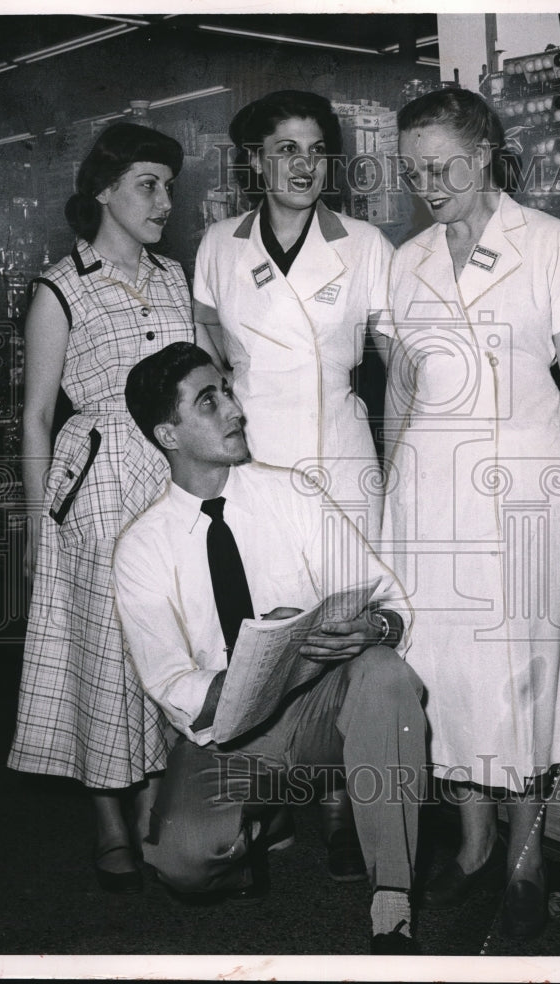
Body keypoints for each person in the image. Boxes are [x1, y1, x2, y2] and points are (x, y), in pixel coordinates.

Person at [380, 88, 560, 939]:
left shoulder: (544, 241)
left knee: (525, 673)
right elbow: (403, 388)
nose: (426, 184)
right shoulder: (405, 262)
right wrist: (386, 497)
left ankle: (526, 861)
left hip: (526, 484)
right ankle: (474, 841)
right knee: (448, 674)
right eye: (412, 172)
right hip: (429, 491)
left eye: (440, 166)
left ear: (482, 155)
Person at [113, 341, 426, 955]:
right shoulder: (141, 548)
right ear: (167, 434)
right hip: (228, 736)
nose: (234, 409)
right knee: (184, 863)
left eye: (227, 391)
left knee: (385, 673)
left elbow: (387, 595)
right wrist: (253, 674)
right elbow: (169, 682)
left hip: (321, 716)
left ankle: (393, 898)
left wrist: (377, 628)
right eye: (209, 401)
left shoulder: (294, 494)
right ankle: (263, 821)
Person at [7, 122, 195, 893]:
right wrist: (30, 525)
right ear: (102, 192)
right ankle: (110, 818)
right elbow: (35, 417)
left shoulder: (174, 276)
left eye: (168, 185)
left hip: (174, 482)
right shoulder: (61, 286)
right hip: (97, 489)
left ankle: (158, 805)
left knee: (171, 645)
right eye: (148, 184)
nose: (164, 199)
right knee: (105, 653)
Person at [193, 90, 393, 538]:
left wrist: (400, 464)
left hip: (341, 461)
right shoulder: (220, 244)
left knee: (348, 597)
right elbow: (205, 343)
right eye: (288, 151)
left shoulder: (366, 245)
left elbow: (400, 372)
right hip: (250, 454)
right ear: (257, 161)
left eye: (317, 151)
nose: (307, 165)